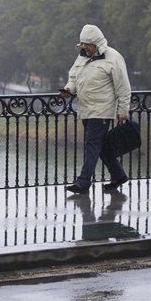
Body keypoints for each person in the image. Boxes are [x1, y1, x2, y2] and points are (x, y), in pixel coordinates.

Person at [60, 24, 131, 194]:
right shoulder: (82, 58)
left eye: (88, 45)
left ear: (97, 43)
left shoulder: (113, 58)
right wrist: (69, 89)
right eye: (83, 44)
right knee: (102, 146)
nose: (85, 48)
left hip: (102, 110)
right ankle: (118, 175)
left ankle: (83, 182)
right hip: (85, 109)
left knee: (92, 144)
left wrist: (123, 110)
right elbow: (74, 78)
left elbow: (123, 87)